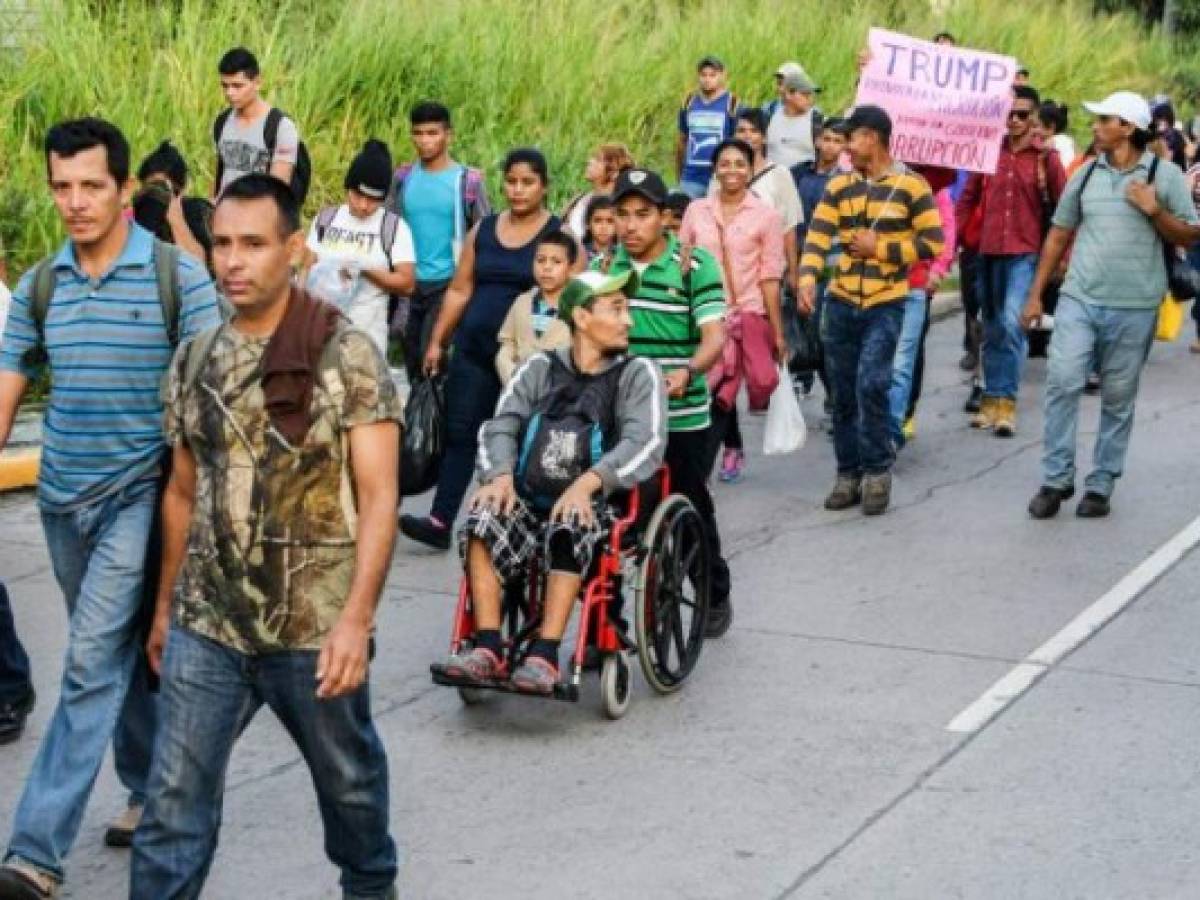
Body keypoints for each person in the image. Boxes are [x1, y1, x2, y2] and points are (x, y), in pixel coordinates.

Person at [130, 174, 402, 899]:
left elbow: (380, 498)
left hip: (314, 629)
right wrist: (164, 608)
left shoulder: (346, 358)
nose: (232, 261)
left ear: (294, 249)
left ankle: (371, 887)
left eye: (252, 243)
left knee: (350, 790)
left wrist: (356, 620)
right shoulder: (194, 360)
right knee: (170, 809)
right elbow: (182, 492)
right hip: (208, 625)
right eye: (221, 243)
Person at [0, 118, 221, 900]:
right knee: (118, 652)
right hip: (60, 502)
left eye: (92, 185)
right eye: (61, 185)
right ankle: (146, 786)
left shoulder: (176, 279)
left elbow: (213, 401)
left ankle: (34, 853)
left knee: (90, 665)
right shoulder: (41, 284)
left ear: (126, 190)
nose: (75, 201)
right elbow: (6, 388)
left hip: (139, 497)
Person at [440, 270, 666, 693]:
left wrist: (588, 484)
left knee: (570, 522)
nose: (629, 321)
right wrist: (500, 476)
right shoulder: (540, 368)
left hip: (598, 505)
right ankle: (487, 647)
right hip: (529, 495)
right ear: (582, 317)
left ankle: (544, 655)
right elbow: (500, 424)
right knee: (482, 516)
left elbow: (645, 441)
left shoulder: (639, 374)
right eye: (616, 309)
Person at [1022, 92, 1200, 519]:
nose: (1096, 127)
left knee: (1118, 397)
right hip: (1079, 299)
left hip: (1135, 305)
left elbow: (1190, 236)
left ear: (1128, 127)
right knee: (1063, 381)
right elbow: (1059, 235)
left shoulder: (1166, 176)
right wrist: (1034, 294)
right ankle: (1056, 478)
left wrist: (1155, 211)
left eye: (1105, 120)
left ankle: (1101, 483)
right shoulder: (1085, 175)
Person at [401, 149, 564, 550]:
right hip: (473, 350)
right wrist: (438, 340)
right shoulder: (485, 230)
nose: (518, 190)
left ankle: (519, 521)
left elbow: (574, 297)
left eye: (528, 182)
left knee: (522, 440)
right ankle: (441, 519)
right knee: (460, 435)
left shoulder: (557, 237)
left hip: (528, 361)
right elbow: (459, 290)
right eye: (511, 181)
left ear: (544, 186)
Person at [603, 167, 733, 637]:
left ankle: (714, 589)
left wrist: (688, 371)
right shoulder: (605, 269)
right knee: (612, 520)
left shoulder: (694, 267)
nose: (631, 226)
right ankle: (607, 620)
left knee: (691, 502)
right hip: (623, 418)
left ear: (665, 218)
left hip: (682, 414)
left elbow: (714, 337)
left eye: (643, 215)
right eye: (623, 215)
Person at [798, 105, 944, 516]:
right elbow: (818, 236)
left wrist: (880, 249)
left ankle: (878, 469)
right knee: (842, 392)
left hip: (886, 303)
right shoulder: (839, 186)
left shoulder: (912, 187)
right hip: (841, 301)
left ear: (873, 138)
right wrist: (807, 277)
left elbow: (933, 243)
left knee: (872, 384)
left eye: (852, 137)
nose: (845, 146)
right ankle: (848, 473)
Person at [955, 85, 1066, 437]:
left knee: (1012, 322)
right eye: (1009, 114)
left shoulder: (1045, 159)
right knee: (989, 326)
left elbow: (1066, 211)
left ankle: (1006, 403)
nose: (1015, 120)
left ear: (1034, 117)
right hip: (986, 251)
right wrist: (949, 246)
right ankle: (989, 400)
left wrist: (1063, 256)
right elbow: (967, 199)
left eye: (1022, 114)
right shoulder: (987, 152)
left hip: (1025, 251)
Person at [682, 139, 786, 485]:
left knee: (735, 387)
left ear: (750, 168)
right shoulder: (696, 211)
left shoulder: (767, 216)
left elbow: (770, 275)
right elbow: (683, 264)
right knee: (715, 388)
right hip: (708, 314)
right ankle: (720, 455)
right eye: (724, 163)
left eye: (740, 163)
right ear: (715, 169)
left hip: (749, 314)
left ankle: (705, 466)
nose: (732, 171)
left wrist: (778, 331)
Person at [387, 101, 491, 383]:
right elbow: (388, 225)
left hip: (447, 285)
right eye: (418, 134)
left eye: (433, 133)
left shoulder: (467, 181)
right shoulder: (403, 178)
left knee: (433, 363)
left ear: (448, 135)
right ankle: (419, 425)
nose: (425, 141)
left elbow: (484, 231)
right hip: (409, 287)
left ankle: (432, 427)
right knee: (411, 366)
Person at [305, 139, 416, 355]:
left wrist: (365, 269)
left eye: (373, 200)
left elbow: (407, 283)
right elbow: (306, 270)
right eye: (358, 196)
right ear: (348, 188)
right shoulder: (326, 219)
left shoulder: (394, 228)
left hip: (366, 339)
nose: (364, 206)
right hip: (320, 334)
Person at [889, 168, 957, 447]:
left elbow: (945, 232)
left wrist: (938, 270)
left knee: (902, 362)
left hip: (914, 284)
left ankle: (892, 427)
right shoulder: (870, 184)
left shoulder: (934, 190)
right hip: (871, 285)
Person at [791, 118, 851, 415]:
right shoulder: (801, 175)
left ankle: (835, 395)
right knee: (807, 328)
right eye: (827, 139)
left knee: (828, 332)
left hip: (832, 264)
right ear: (817, 141)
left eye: (838, 141)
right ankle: (805, 378)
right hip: (803, 260)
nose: (830, 146)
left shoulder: (846, 180)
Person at [212, 47, 302, 199]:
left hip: (258, 217)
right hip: (224, 214)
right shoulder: (222, 122)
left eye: (237, 86)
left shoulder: (280, 128)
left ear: (258, 83)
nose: (230, 93)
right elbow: (219, 176)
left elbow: (278, 191)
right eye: (225, 86)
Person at [495, 230, 575, 383]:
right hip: (520, 390)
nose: (547, 267)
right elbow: (507, 343)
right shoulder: (522, 301)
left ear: (570, 268)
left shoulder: (577, 307)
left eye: (556, 262)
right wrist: (511, 374)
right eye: (540, 260)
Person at [132, 140, 213, 269]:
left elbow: (199, 268)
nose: (157, 198)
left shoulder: (196, 214)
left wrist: (176, 219)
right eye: (152, 189)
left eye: (163, 188)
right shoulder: (135, 213)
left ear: (181, 192)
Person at [676, 55, 739, 199]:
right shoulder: (689, 102)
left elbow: (737, 144)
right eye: (703, 75)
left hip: (720, 178)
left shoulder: (732, 103)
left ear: (722, 75)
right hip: (691, 177)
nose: (707, 79)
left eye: (712, 75)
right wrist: (680, 174)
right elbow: (682, 141)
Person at [560, 143, 634, 238]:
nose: (590, 161)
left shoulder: (619, 205)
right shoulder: (579, 198)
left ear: (615, 172)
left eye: (598, 160)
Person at [766, 71, 824, 171]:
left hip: (802, 183)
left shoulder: (817, 120)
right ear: (788, 94)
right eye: (805, 95)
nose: (809, 99)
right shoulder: (770, 115)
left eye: (810, 95)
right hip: (772, 181)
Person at [581, 194, 618, 266]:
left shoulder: (623, 256)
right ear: (588, 224)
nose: (604, 227)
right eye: (598, 220)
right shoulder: (579, 255)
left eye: (610, 221)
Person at [1039, 101, 1077, 169]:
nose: (1034, 130)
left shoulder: (1051, 144)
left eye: (1037, 125)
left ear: (1051, 126)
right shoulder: (1067, 141)